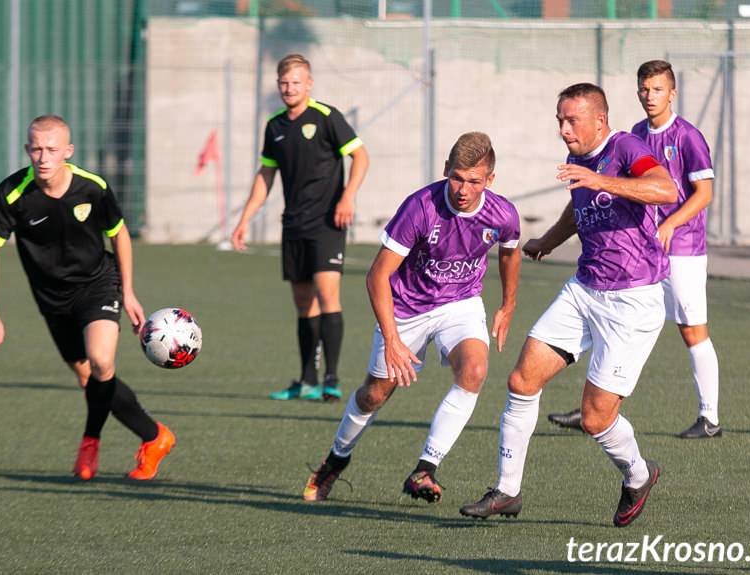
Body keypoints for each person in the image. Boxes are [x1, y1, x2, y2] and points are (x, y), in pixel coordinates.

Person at [460, 84, 677, 527]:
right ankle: (507, 490)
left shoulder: (625, 147)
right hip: (584, 289)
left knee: (597, 419)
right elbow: (580, 208)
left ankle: (639, 474)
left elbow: (666, 189)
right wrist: (548, 240)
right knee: (522, 380)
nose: (562, 128)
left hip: (632, 301)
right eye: (559, 119)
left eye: (571, 120)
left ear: (599, 120)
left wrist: (603, 180)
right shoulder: (579, 159)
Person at [303, 132, 522, 503]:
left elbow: (510, 251)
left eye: (474, 181)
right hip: (406, 307)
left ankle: (426, 468)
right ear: (445, 170)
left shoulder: (503, 213)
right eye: (456, 177)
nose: (463, 189)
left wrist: (508, 304)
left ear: (490, 181)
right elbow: (377, 276)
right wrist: (392, 339)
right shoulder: (420, 207)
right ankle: (335, 461)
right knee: (375, 394)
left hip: (461, 302)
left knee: (474, 372)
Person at [0, 114, 175, 482]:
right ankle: (155, 436)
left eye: (52, 149)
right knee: (90, 379)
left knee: (101, 361)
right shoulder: (12, 194)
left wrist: (128, 291)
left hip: (97, 284)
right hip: (51, 301)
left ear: (68, 151)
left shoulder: (92, 188)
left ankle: (90, 443)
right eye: (35, 148)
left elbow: (120, 235)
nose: (43, 157)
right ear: (26, 150)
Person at [547, 60, 721, 439]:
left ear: (672, 93)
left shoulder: (687, 136)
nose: (649, 95)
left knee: (692, 331)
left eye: (657, 89)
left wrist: (672, 222)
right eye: (644, 88)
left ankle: (709, 417)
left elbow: (703, 193)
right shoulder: (634, 134)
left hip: (683, 248)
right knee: (609, 321)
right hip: (639, 251)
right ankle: (593, 406)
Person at [231, 54, 369, 402]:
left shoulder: (326, 117)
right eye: (283, 83)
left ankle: (332, 379)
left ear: (309, 84)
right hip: (293, 224)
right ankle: (307, 380)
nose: (289, 88)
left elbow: (361, 156)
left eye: (295, 82)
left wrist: (348, 197)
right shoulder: (275, 126)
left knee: (327, 296)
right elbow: (266, 175)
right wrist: (245, 219)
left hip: (327, 222)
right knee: (302, 302)